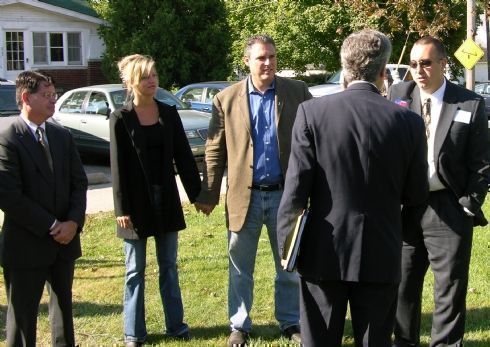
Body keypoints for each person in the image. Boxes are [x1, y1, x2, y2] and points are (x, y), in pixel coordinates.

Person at [276, 29, 429, 347]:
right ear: (384, 73)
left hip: (323, 249)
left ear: (345, 69)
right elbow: (416, 195)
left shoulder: (313, 113)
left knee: (320, 339)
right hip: (382, 248)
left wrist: (285, 247)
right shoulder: (409, 122)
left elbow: (295, 191)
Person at [195, 34, 312, 346]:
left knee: (289, 266)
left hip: (285, 195)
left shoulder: (297, 92)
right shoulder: (226, 99)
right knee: (239, 267)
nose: (268, 63)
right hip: (242, 196)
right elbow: (214, 151)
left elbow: (315, 137)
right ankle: (240, 325)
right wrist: (208, 193)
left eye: (272, 57)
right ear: (246, 61)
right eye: (261, 58)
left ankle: (290, 321)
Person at [388, 36, 489, 347]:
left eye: (426, 63)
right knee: (402, 284)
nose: (419, 70)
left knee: (449, 287)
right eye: (413, 64)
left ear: (444, 64)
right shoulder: (397, 94)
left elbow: (482, 161)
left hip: (448, 206)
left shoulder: (469, 102)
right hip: (406, 208)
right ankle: (405, 342)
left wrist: (469, 205)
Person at [109, 54, 201, 346]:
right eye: (146, 76)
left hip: (166, 201)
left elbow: (184, 158)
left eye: (154, 74)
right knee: (135, 270)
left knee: (169, 265)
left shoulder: (169, 113)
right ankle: (134, 333)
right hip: (134, 206)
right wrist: (121, 208)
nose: (152, 80)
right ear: (132, 81)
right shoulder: (120, 118)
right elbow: (117, 166)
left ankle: (176, 325)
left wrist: (199, 195)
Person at [0, 70, 88, 346]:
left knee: (63, 313)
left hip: (64, 244)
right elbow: (9, 196)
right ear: (26, 97)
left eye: (54, 94)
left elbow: (79, 183)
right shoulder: (8, 138)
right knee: (23, 318)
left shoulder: (62, 136)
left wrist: (72, 223)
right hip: (26, 245)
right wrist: (52, 226)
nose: (54, 100)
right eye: (47, 95)